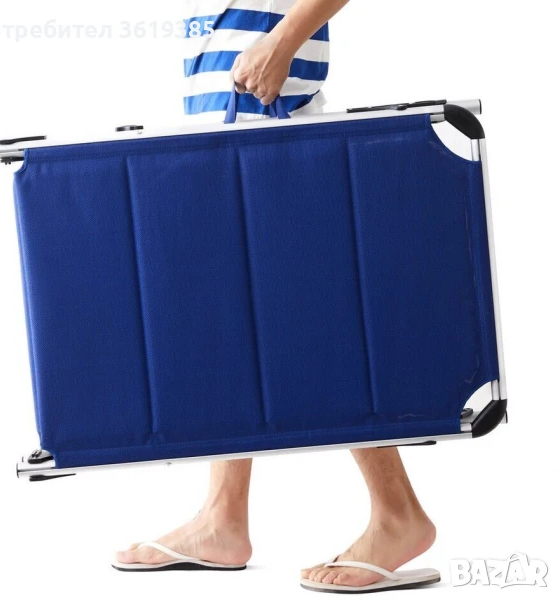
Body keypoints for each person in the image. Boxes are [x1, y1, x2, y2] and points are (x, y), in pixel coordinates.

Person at [114, 1, 438, 593]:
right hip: (221, 124)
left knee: (313, 325)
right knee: (234, 322)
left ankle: (398, 515)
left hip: (270, 124)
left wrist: (283, 41)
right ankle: (222, 519)